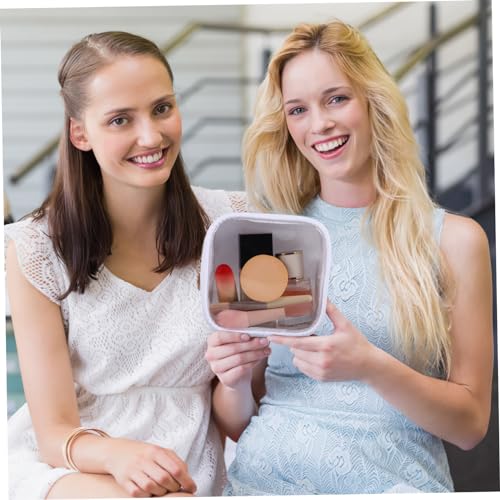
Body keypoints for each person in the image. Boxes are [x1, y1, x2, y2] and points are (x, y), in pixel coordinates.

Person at [205, 20, 494, 495]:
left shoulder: (454, 241)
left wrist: (370, 365)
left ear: (372, 101)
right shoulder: (274, 239)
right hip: (262, 480)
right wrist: (231, 381)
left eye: (336, 99)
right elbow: (239, 422)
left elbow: (470, 425)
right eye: (298, 110)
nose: (319, 124)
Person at [5, 31, 247, 499]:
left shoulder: (229, 224)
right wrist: (119, 455)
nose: (151, 136)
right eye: (120, 119)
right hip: (77, 464)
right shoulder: (36, 248)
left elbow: (243, 400)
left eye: (162, 108)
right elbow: (55, 434)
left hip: (193, 462)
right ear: (80, 133)